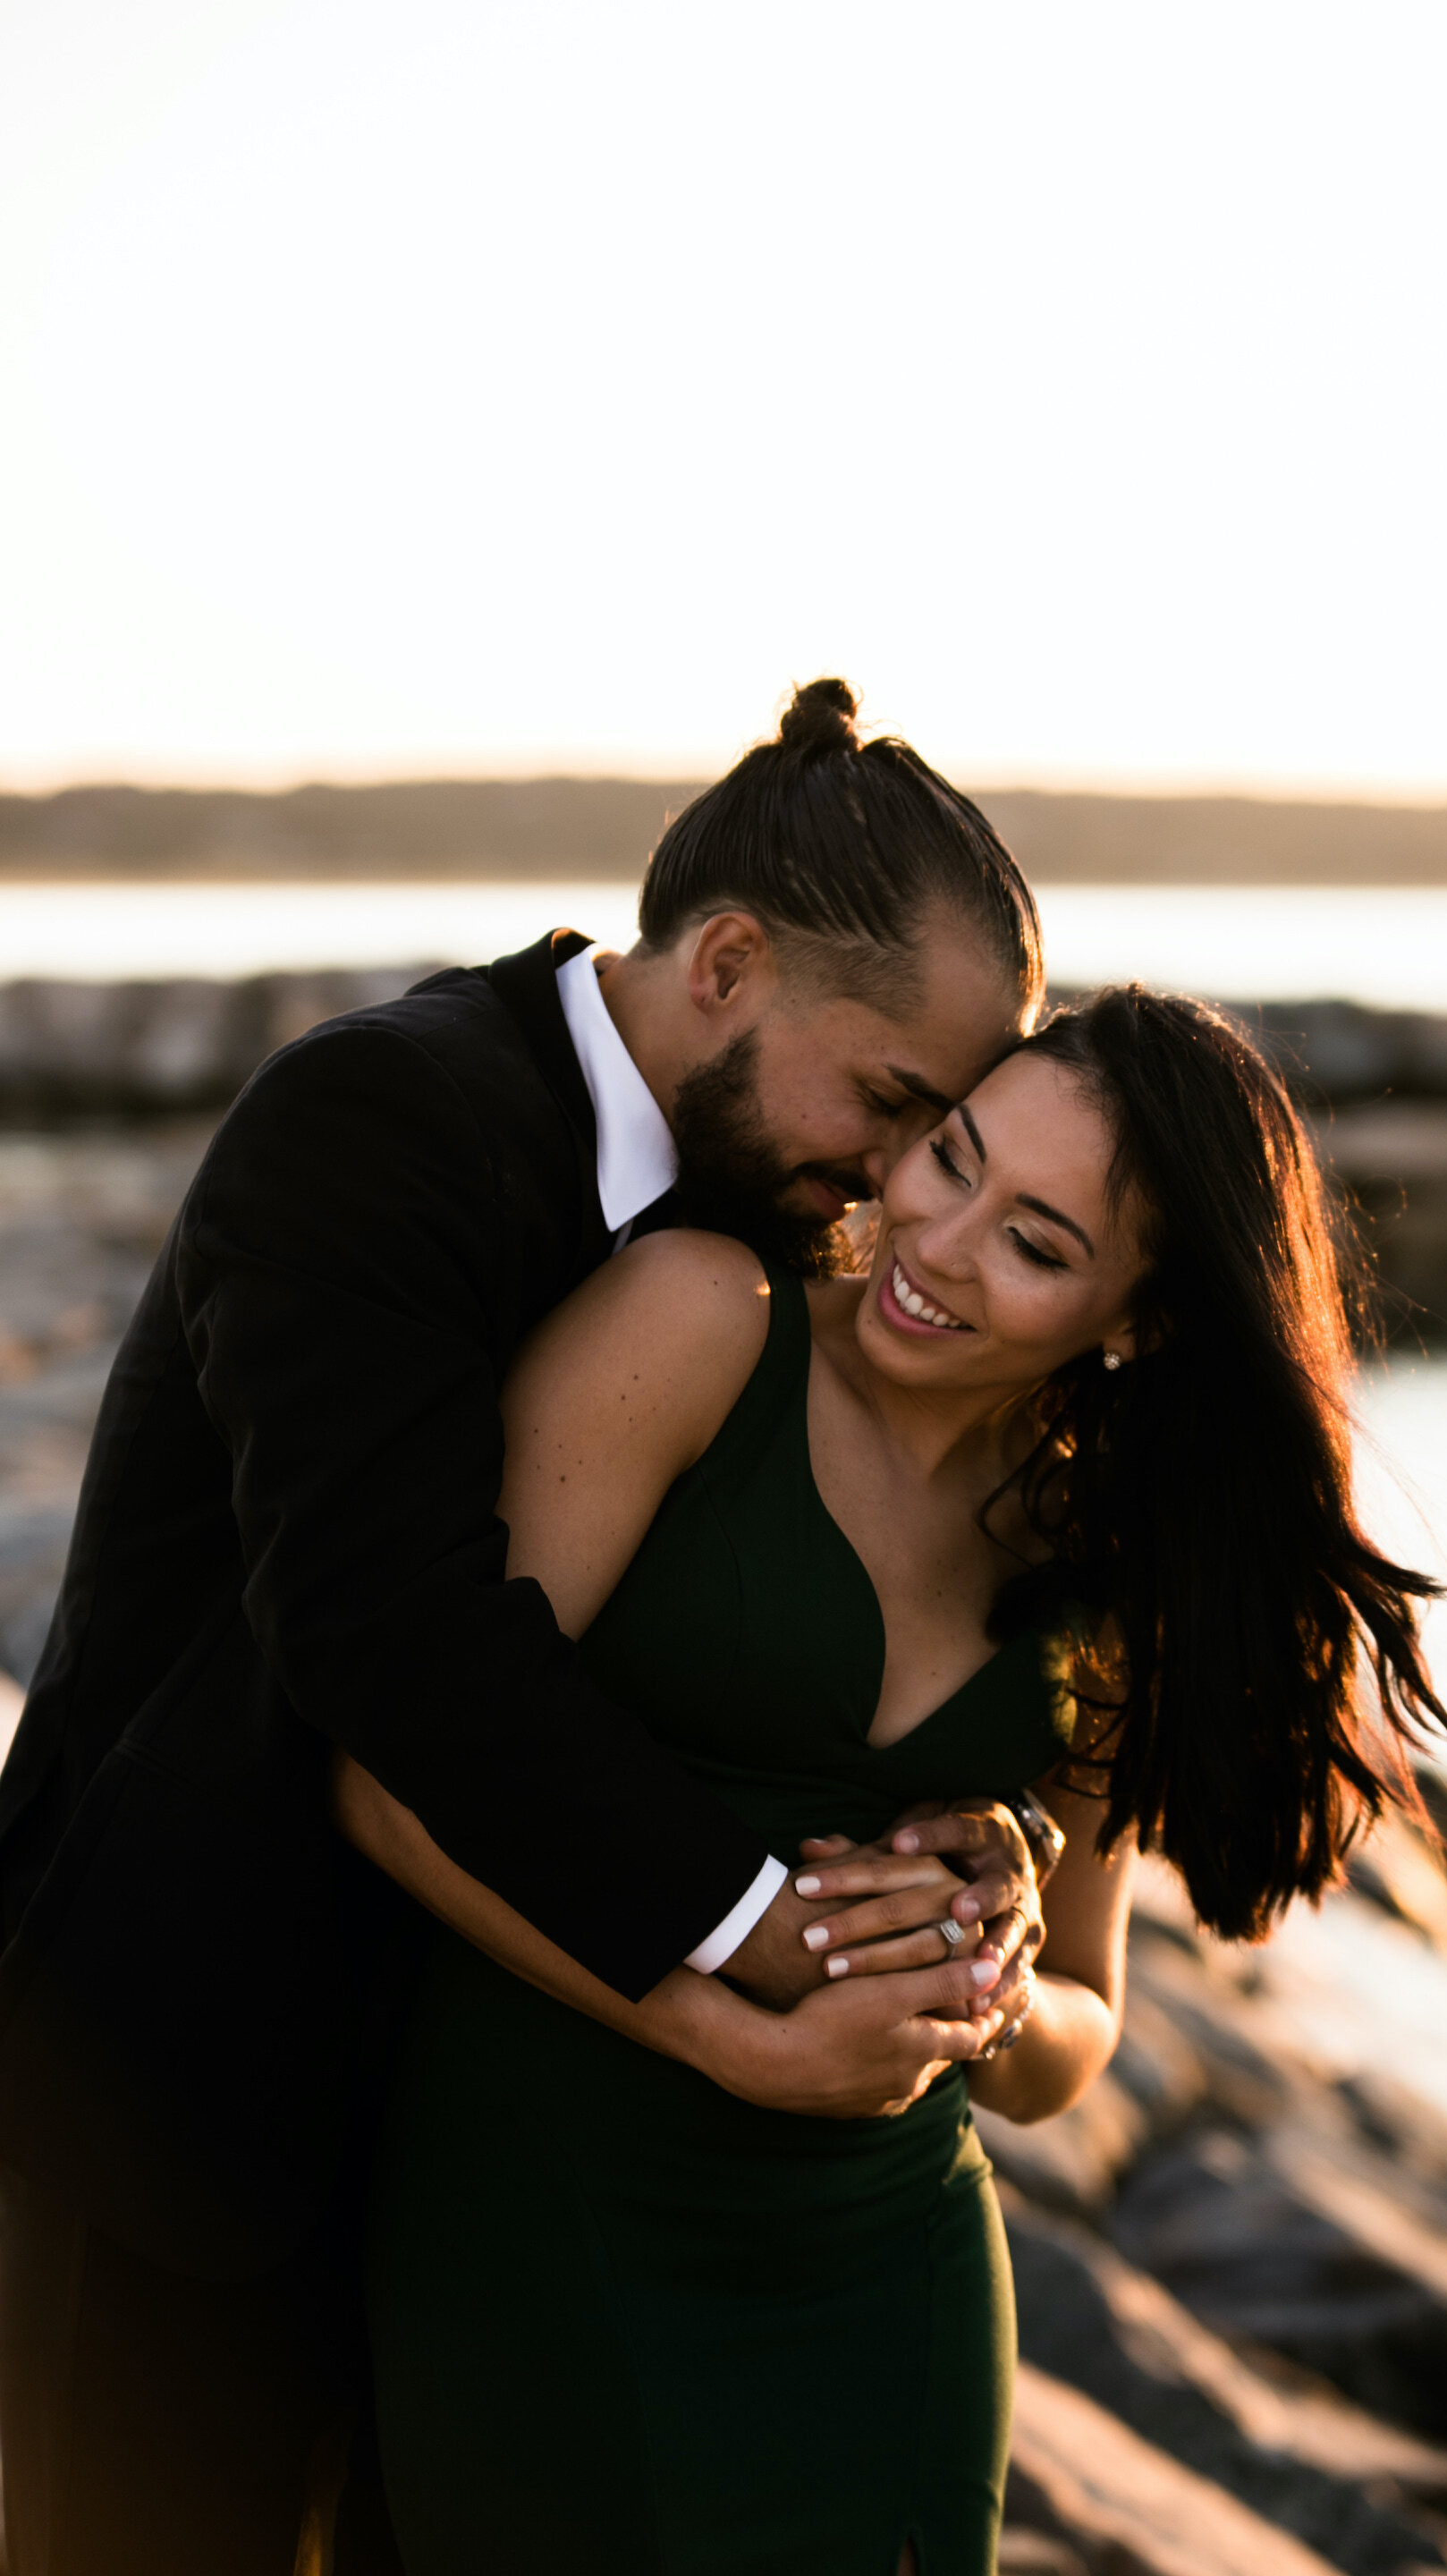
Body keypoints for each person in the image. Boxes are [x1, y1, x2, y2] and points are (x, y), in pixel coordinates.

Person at [0, 682, 1053, 2575]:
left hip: (494, 2144)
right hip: (177, 2086)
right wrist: (773, 1945)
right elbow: (385, 1635)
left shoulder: (767, 1229)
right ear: (728, 963)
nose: (898, 1183)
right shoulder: (380, 1113)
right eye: (893, 1103)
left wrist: (987, 1858)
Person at [335, 980, 1447, 2576]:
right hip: (542, 2228)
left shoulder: (1105, 1575)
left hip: (891, 2288)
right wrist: (725, 2037)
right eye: (954, 1158)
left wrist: (984, 1987)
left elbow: (1077, 2024)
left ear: (1134, 1324)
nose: (935, 1243)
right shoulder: (701, 1323)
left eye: (1038, 1244)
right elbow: (392, 1780)